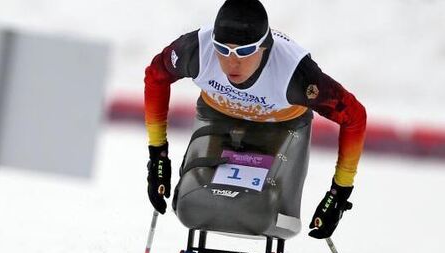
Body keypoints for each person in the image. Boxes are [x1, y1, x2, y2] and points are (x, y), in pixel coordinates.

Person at [144, 0, 366, 239]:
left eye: (245, 51)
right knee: (191, 205)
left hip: (280, 126)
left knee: (265, 212)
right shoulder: (196, 50)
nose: (232, 62)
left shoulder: (296, 75)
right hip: (218, 116)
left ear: (264, 47)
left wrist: (339, 191)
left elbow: (354, 117)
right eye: (223, 49)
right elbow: (155, 75)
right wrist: (158, 154)